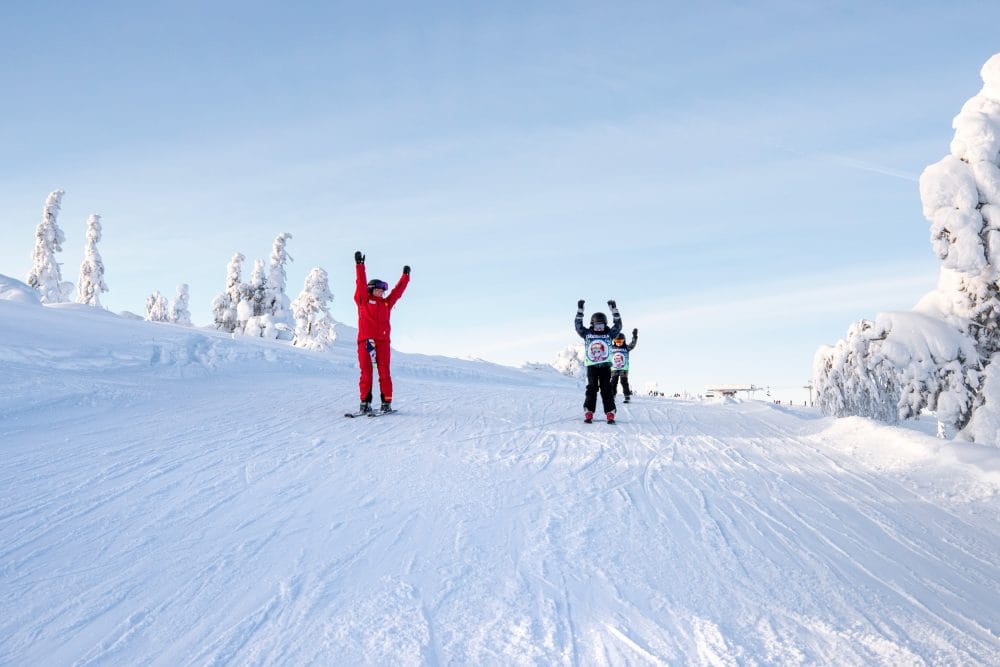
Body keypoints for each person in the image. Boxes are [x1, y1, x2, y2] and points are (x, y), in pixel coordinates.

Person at [354, 251, 410, 414]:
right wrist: (360, 265)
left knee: (384, 372)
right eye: (378, 290)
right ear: (371, 290)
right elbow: (360, 283)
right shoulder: (364, 300)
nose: (381, 292)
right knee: (366, 373)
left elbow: (397, 292)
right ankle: (365, 403)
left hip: (383, 343)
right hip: (367, 341)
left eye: (382, 290)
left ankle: (386, 403)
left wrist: (405, 277)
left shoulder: (386, 303)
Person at [575, 298, 622, 423]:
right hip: (592, 366)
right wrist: (580, 311)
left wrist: (614, 310)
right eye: (597, 326)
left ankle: (610, 412)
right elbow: (578, 327)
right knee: (592, 387)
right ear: (592, 325)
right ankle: (589, 411)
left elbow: (618, 326)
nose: (600, 328)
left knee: (606, 388)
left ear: (605, 325)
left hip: (605, 366)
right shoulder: (588, 333)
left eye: (602, 326)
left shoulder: (609, 334)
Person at [610, 328, 639, 403]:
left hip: (623, 368)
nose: (618, 343)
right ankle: (612, 396)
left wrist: (635, 336)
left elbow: (633, 344)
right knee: (613, 382)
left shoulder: (626, 347)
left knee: (624, 382)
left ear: (623, 341)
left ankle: (627, 396)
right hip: (614, 368)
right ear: (614, 341)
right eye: (617, 341)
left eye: (620, 341)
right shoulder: (611, 348)